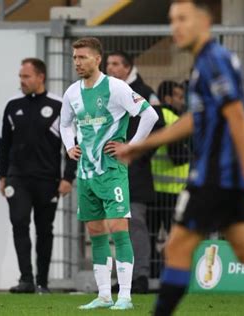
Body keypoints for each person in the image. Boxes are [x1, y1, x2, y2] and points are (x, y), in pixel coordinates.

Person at [117, 2, 244, 315]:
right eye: (172, 20)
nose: (176, 26)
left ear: (205, 21)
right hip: (221, 176)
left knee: (178, 248)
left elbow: (238, 117)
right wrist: (142, 145)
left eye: (183, 19)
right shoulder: (203, 64)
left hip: (215, 176)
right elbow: (193, 121)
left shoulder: (214, 61)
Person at [60, 37, 159, 310]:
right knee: (96, 232)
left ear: (97, 59)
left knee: (119, 229)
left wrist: (131, 147)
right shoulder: (72, 93)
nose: (77, 62)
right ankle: (104, 294)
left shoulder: (116, 88)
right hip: (86, 173)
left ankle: (125, 295)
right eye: (74, 57)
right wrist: (70, 147)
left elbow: (150, 115)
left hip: (112, 171)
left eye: (82, 57)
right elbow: (65, 124)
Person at [0, 58, 76, 294]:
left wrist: (67, 177)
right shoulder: (12, 106)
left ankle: (42, 281)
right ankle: (26, 279)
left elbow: (71, 144)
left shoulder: (59, 105)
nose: (22, 81)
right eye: (21, 77)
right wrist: (3, 174)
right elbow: (4, 144)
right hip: (17, 178)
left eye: (26, 76)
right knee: (19, 224)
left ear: (40, 77)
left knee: (45, 229)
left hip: (47, 180)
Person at [106, 51, 165, 293]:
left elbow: (158, 125)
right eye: (108, 63)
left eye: (116, 64)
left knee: (136, 224)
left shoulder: (143, 92)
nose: (110, 68)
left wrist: (135, 153)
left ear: (129, 67)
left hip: (135, 173)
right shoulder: (106, 91)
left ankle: (140, 276)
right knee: (117, 225)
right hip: (111, 169)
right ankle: (123, 277)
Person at [149, 80, 190, 278]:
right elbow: (178, 157)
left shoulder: (152, 115)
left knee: (149, 237)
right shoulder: (174, 119)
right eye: (179, 97)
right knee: (176, 238)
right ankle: (174, 276)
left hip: (151, 188)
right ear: (167, 98)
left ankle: (152, 275)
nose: (182, 102)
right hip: (173, 190)